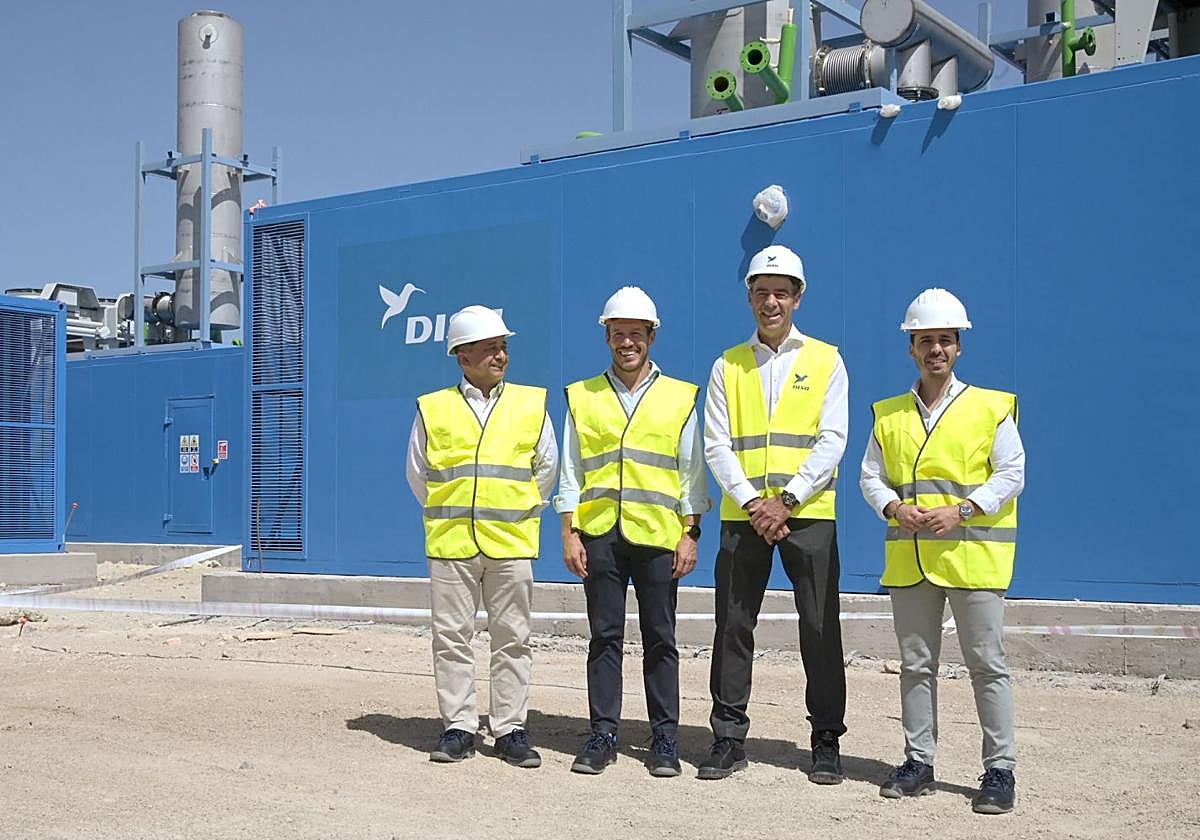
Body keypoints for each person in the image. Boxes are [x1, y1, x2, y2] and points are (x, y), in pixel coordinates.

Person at [859, 288, 1025, 814]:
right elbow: (870, 476)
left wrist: (964, 510)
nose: (936, 349)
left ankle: (999, 771)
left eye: (945, 340)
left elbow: (1012, 473)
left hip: (973, 557)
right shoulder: (888, 414)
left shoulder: (991, 408)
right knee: (915, 665)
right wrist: (893, 508)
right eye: (926, 340)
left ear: (959, 346)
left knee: (987, 665)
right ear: (911, 347)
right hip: (911, 559)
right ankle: (918, 761)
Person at [700, 245, 848, 783]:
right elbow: (716, 444)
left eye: (781, 293)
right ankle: (728, 737)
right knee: (733, 626)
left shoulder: (827, 360)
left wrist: (785, 501)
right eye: (761, 292)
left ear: (798, 298)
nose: (771, 302)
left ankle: (826, 738)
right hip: (745, 518)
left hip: (808, 515)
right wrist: (752, 503)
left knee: (819, 627)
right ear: (749, 298)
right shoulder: (727, 365)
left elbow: (833, 439)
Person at [556, 286, 709, 778]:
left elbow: (692, 474)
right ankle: (602, 734)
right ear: (607, 337)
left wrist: (690, 534)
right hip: (599, 533)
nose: (627, 342)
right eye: (618, 333)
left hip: (659, 536)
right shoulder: (582, 396)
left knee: (661, 638)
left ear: (651, 337)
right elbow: (570, 472)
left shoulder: (680, 397)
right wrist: (569, 533)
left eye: (636, 333)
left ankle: (664, 737)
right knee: (604, 637)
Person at [405, 305, 557, 768]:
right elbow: (418, 474)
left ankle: (510, 729)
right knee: (451, 638)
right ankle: (459, 727)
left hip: (510, 542)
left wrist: (517, 512)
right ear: (462, 355)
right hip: (452, 543)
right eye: (490, 348)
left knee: (513, 638)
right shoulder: (433, 408)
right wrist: (452, 512)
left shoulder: (531, 404)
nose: (500, 355)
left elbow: (546, 468)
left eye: (503, 347)